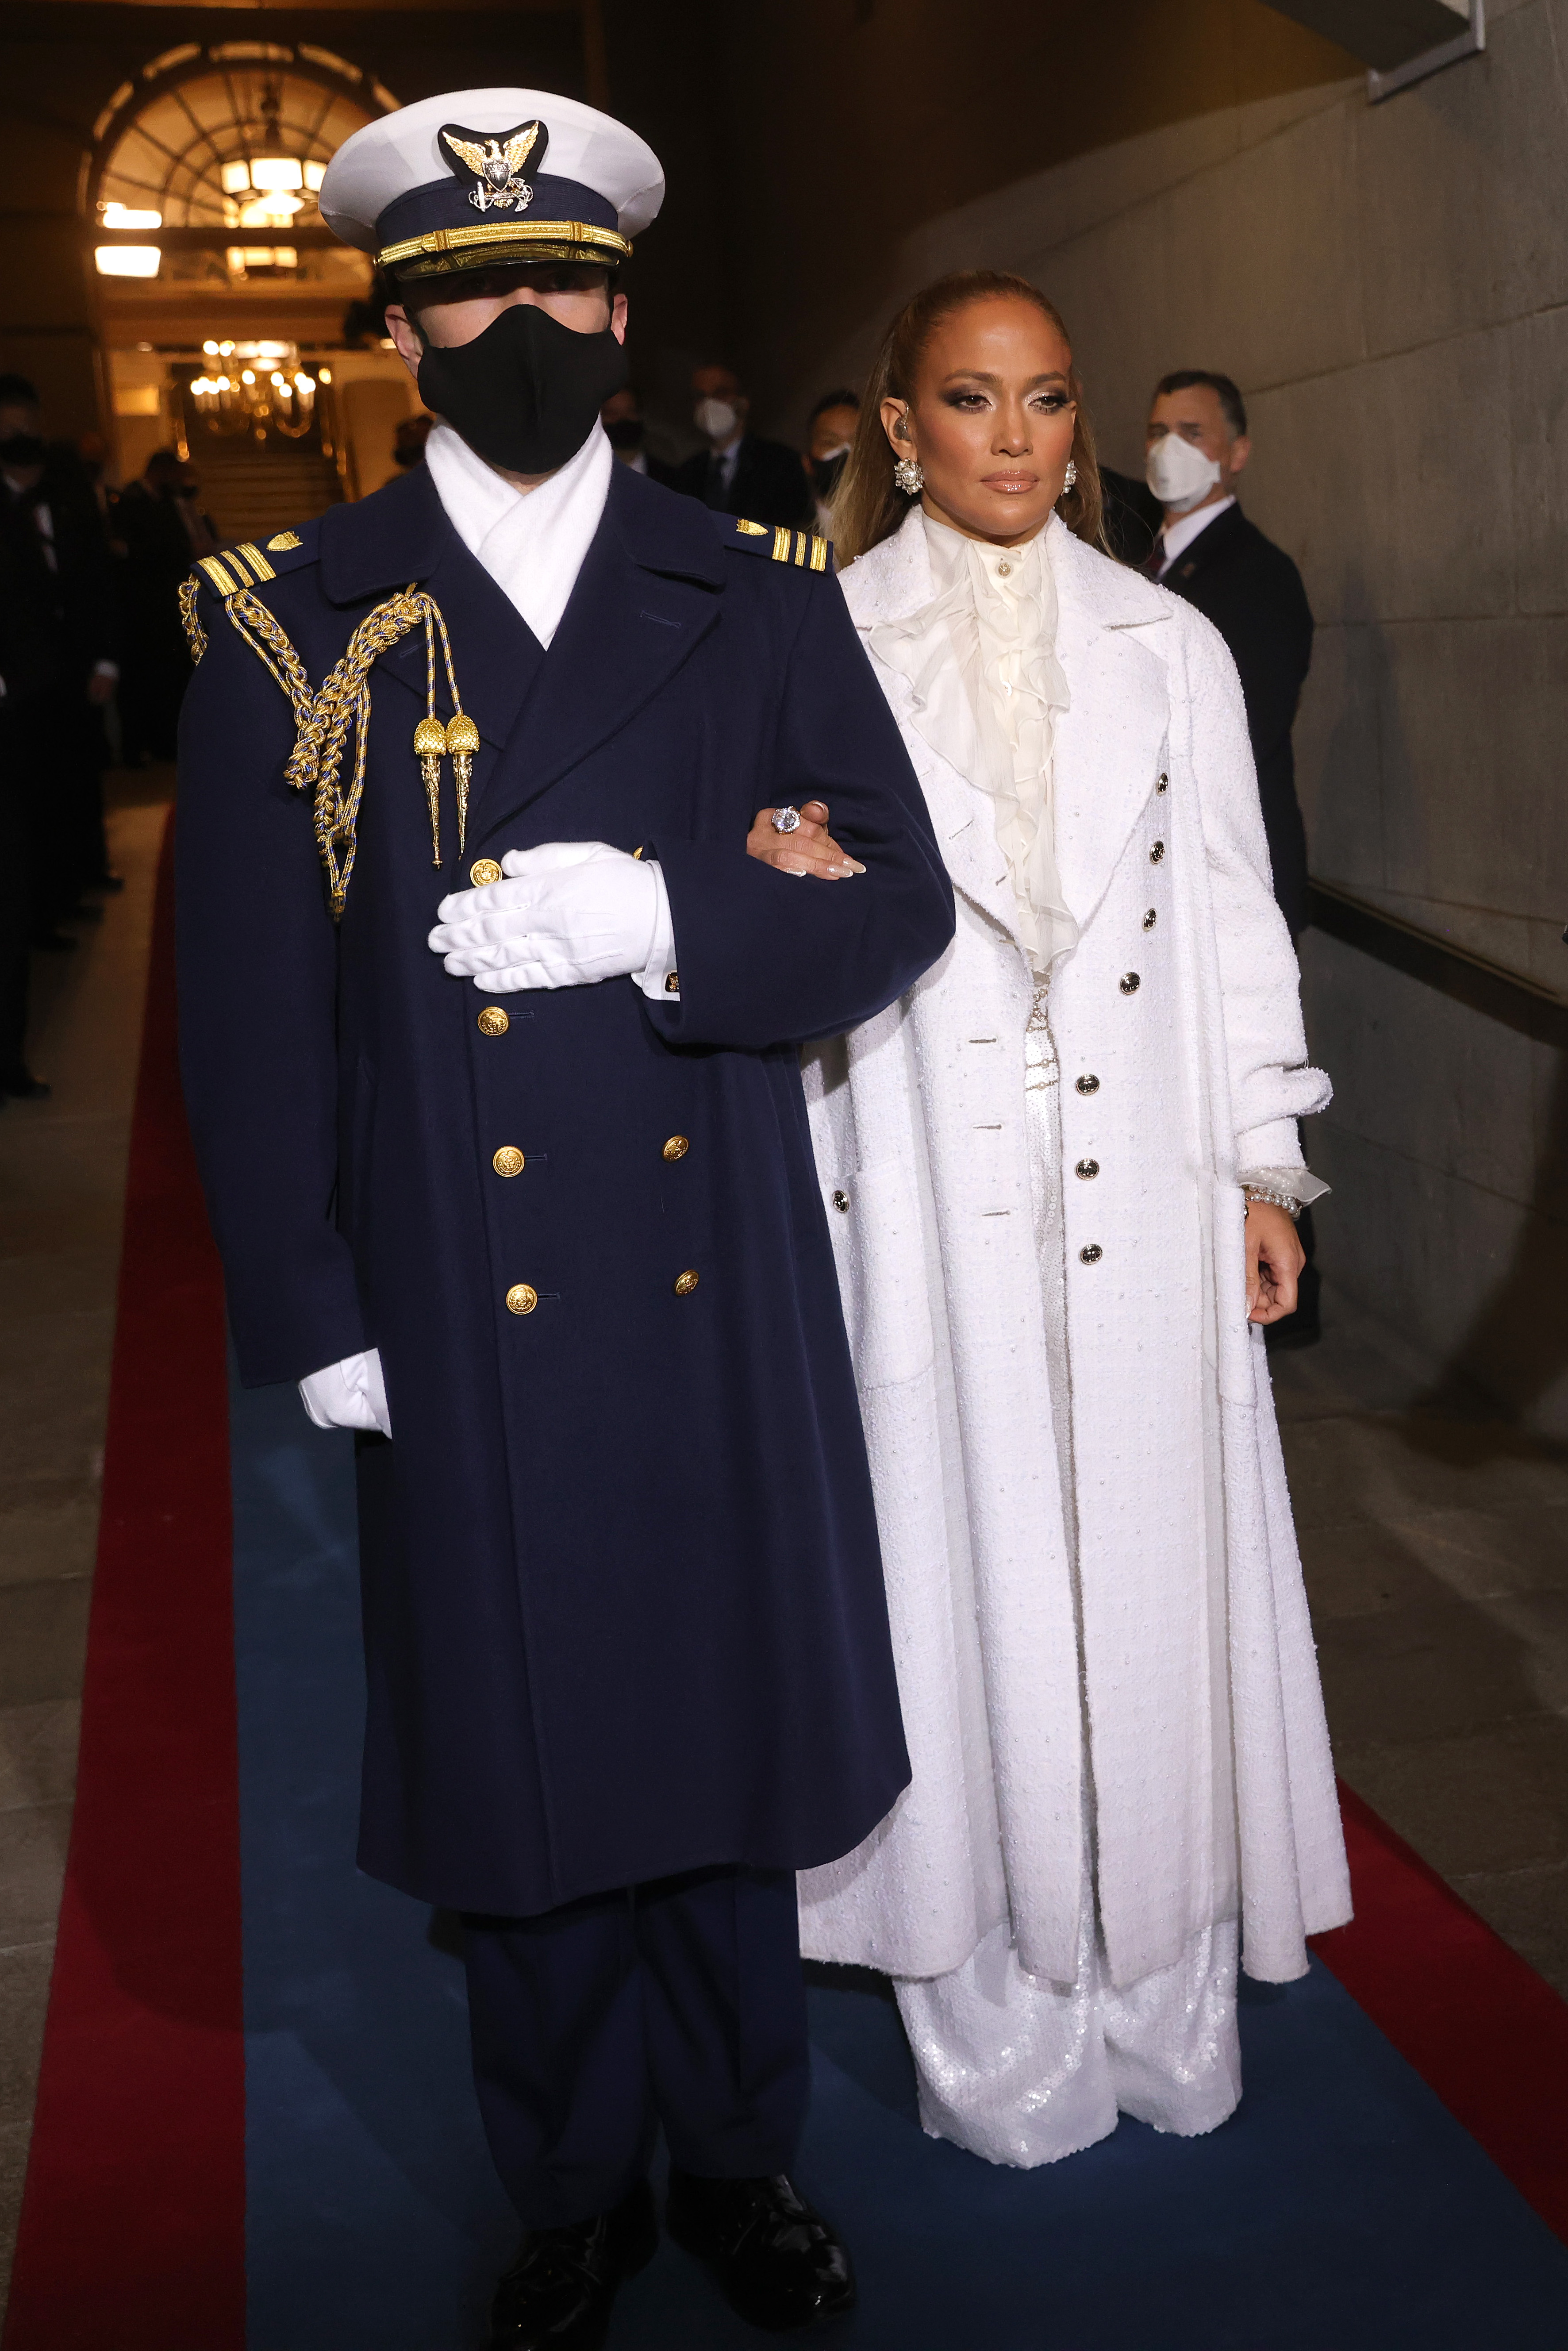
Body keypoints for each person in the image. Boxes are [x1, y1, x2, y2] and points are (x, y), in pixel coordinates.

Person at [175, 86, 954, 2351]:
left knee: (718, 1768)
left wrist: (675, 916)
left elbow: (893, 901)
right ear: (399, 333)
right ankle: (568, 2186)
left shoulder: (753, 587)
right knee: (521, 1777)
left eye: (565, 286)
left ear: (621, 310)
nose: (525, 320)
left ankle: (739, 2157)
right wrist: (313, 1297)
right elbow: (243, 1011)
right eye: (469, 292)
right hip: (449, 1281)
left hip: (709, 1283)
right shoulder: (280, 616)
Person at [746, 270, 1349, 2171]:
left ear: (1075, 426)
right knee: (956, 1578)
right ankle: (989, 2021)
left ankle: (1162, 2007)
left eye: (1043, 398)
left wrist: (1262, 1162)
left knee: (1157, 1584)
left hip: (1150, 1189)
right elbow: (761, 934)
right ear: (899, 423)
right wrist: (772, 876)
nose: (1011, 433)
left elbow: (1241, 917)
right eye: (967, 397)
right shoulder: (814, 642)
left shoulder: (1169, 644)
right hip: (923, 1187)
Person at [1145, 369, 1320, 1338]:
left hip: (1230, 874)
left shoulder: (1254, 575)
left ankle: (1280, 1299)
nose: (1167, 446)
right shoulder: (1149, 565)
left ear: (1235, 452)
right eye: (1157, 428)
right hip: (1162, 891)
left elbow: (1229, 743)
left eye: (1192, 430)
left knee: (1255, 1083)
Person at [0, 375, 120, 935]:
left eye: (26, 425)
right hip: (21, 675)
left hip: (69, 666)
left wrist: (103, 660)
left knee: (75, 777)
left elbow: (95, 581)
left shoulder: (67, 488)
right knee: (32, 795)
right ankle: (42, 907)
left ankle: (76, 881)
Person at [112, 446, 215, 764]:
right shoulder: (132, 502)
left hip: (170, 599)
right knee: (150, 674)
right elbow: (139, 549)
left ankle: (169, 740)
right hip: (146, 603)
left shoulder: (168, 502)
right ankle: (151, 743)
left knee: (172, 673)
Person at [673, 362, 810, 531]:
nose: (709, 403)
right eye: (701, 396)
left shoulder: (781, 463)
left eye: (720, 393)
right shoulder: (687, 472)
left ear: (743, 402)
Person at [802, 388, 858, 537]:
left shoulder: (898, 525)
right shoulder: (791, 536)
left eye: (857, 442)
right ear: (807, 462)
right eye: (830, 443)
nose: (845, 452)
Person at [599, 382, 675, 482]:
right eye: (613, 413)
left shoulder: (669, 477)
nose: (623, 420)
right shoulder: (590, 477)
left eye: (630, 412)